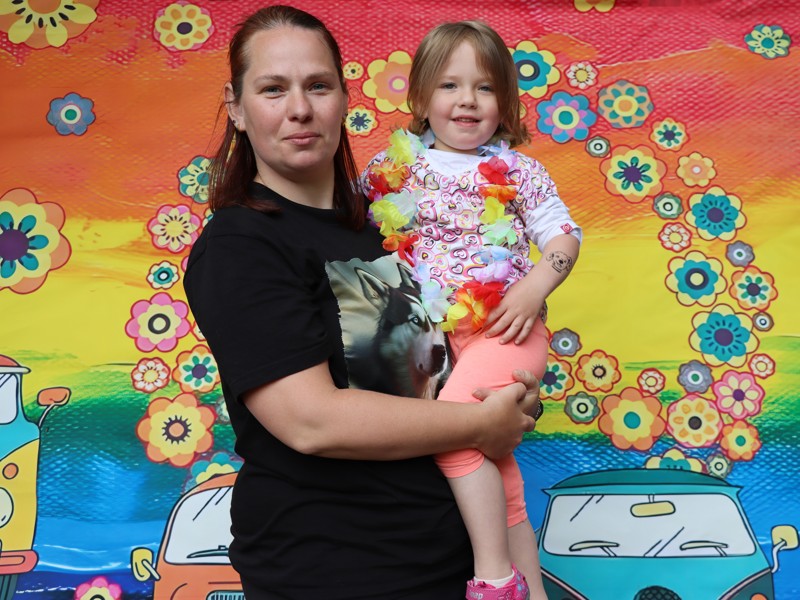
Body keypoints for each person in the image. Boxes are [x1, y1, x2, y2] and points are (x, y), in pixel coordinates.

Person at [182, 6, 543, 599]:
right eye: (273, 89)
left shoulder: (385, 228)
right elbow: (311, 421)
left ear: (345, 99)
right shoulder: (240, 245)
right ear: (237, 108)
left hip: (451, 564)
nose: (300, 108)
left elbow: (437, 378)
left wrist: (511, 397)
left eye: (318, 86)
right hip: (337, 572)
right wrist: (483, 422)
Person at [361, 20, 582, 600]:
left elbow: (563, 238)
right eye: (450, 85)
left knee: (456, 429)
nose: (467, 100)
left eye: (485, 87)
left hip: (505, 330)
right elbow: (350, 228)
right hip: (431, 338)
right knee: (500, 475)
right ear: (419, 97)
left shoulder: (521, 172)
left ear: (505, 101)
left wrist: (534, 287)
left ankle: (494, 580)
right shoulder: (391, 168)